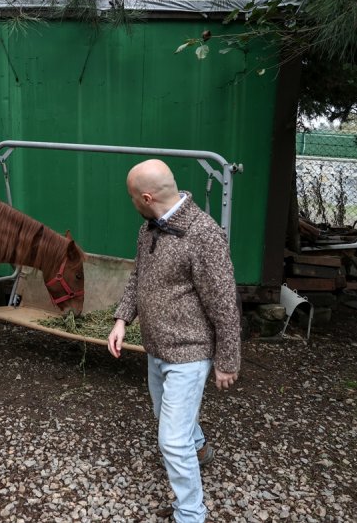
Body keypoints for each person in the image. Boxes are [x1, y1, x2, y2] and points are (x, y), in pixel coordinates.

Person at [107, 159, 241, 522]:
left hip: (189, 352)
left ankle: (190, 513)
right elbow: (138, 278)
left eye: (132, 196)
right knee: (163, 416)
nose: (131, 201)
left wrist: (227, 360)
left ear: (146, 197)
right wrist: (122, 319)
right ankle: (198, 447)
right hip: (156, 347)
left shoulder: (203, 235)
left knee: (171, 440)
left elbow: (224, 302)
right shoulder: (148, 228)